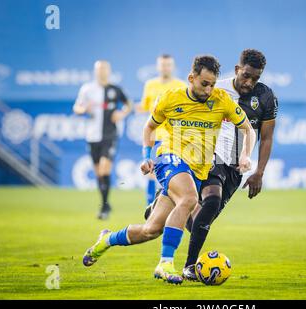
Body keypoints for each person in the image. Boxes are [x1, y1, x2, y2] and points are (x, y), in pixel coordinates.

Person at [82, 55, 256, 285]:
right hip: (169, 158)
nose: (209, 89)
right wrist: (146, 157)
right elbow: (149, 127)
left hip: (197, 171)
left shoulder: (222, 100)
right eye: (204, 83)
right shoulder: (171, 98)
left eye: (212, 84)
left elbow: (248, 130)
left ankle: (106, 240)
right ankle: (165, 263)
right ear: (191, 78)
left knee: (151, 230)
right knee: (190, 198)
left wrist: (245, 154)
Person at [144, 49, 278, 280]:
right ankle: (189, 266)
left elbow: (265, 137)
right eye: (246, 75)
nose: (249, 82)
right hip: (210, 157)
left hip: (236, 168)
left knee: (200, 221)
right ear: (237, 70)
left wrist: (258, 170)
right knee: (211, 199)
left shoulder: (266, 98)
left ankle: (165, 199)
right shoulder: (216, 90)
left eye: (255, 78)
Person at [73, 60, 132, 220]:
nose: (102, 72)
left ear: (109, 71)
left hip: (110, 135)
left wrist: (121, 113)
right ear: (95, 71)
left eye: (104, 69)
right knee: (99, 172)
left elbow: (129, 105)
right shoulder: (87, 89)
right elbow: (77, 107)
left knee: (105, 169)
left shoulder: (115, 89)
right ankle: (105, 203)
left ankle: (104, 207)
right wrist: (83, 109)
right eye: (99, 69)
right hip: (92, 136)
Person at [138, 54, 187, 205]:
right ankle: (150, 207)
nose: (165, 68)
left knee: (173, 173)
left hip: (173, 137)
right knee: (151, 172)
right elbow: (145, 107)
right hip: (154, 136)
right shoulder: (150, 85)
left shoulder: (181, 85)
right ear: (158, 67)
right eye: (162, 65)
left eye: (168, 65)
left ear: (172, 67)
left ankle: (170, 205)